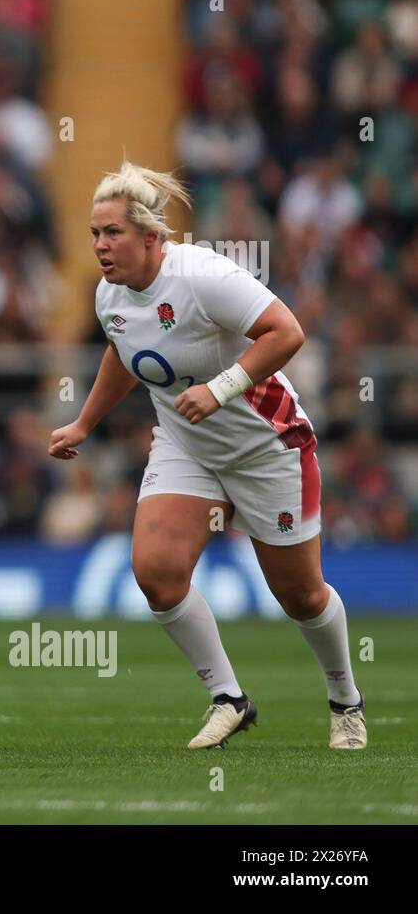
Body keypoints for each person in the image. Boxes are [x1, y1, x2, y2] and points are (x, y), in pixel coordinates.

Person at [48, 161, 366, 750]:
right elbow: (123, 352)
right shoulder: (108, 294)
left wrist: (219, 390)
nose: (99, 245)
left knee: (300, 595)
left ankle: (346, 699)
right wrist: (85, 423)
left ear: (151, 236)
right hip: (185, 442)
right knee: (156, 575)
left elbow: (287, 331)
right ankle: (229, 697)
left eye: (111, 232)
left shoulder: (203, 275)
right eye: (94, 233)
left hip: (265, 444)